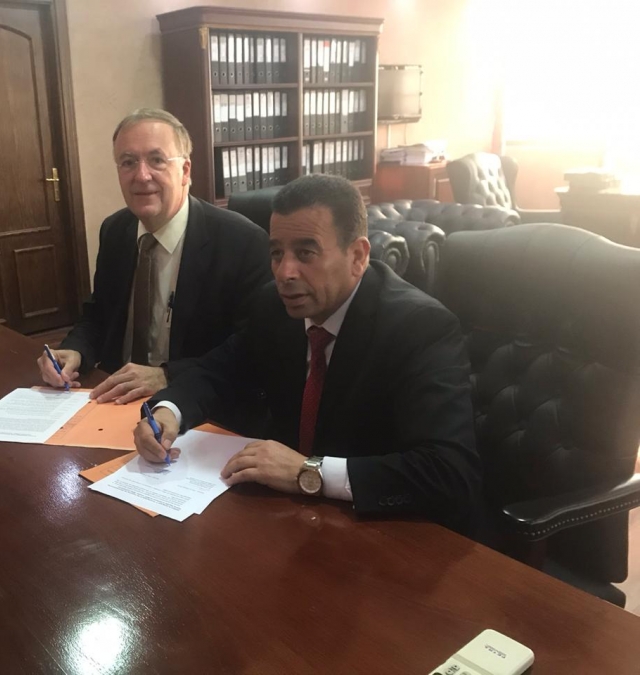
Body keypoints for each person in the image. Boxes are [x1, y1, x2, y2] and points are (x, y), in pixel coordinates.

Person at [134, 174, 482, 530]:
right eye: (276, 253)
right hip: (293, 520)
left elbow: (449, 474)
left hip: (384, 531)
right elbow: (218, 371)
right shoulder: (274, 305)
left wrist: (309, 472)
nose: (285, 272)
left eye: (306, 253)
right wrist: (168, 412)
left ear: (358, 256)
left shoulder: (420, 328)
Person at [39, 108, 271, 405]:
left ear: (185, 171)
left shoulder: (242, 242)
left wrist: (167, 375)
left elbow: (250, 348)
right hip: (115, 398)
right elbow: (99, 314)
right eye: (128, 162)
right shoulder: (116, 230)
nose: (141, 175)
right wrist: (74, 350)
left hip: (196, 404)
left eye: (157, 160)